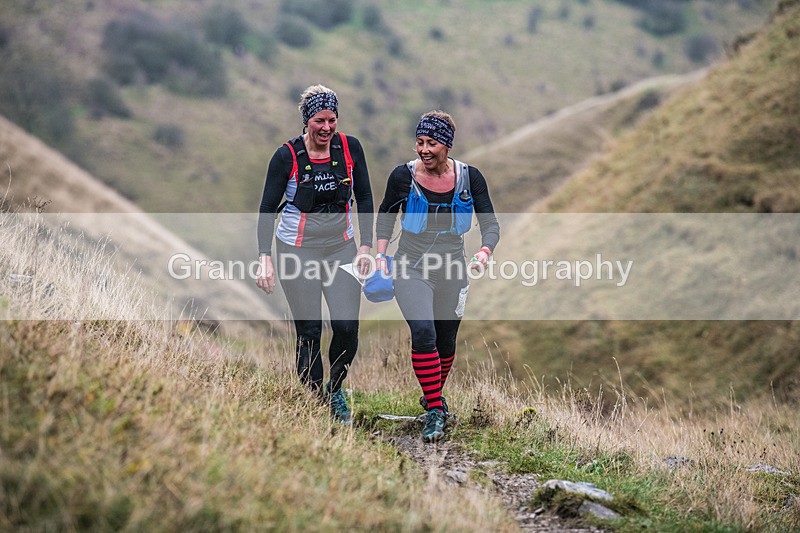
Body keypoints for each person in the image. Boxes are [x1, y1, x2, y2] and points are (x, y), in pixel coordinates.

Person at [375, 111, 500, 442]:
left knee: (446, 344)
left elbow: (491, 225)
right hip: (410, 266)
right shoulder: (402, 177)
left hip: (453, 270)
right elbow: (385, 215)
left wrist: (484, 252)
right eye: (419, 142)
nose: (423, 150)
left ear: (447, 145)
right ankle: (435, 410)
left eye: (431, 143)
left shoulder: (470, 178)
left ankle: (431, 397)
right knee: (424, 333)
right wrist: (379, 255)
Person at [256, 85, 374, 424]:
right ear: (307, 120)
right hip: (297, 250)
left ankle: (334, 389)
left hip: (341, 248)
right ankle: (312, 399)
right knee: (309, 330)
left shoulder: (350, 149)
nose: (326, 128)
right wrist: (265, 257)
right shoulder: (286, 157)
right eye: (319, 121)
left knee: (347, 327)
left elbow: (364, 198)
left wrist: (365, 247)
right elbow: (267, 209)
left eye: (332, 120)